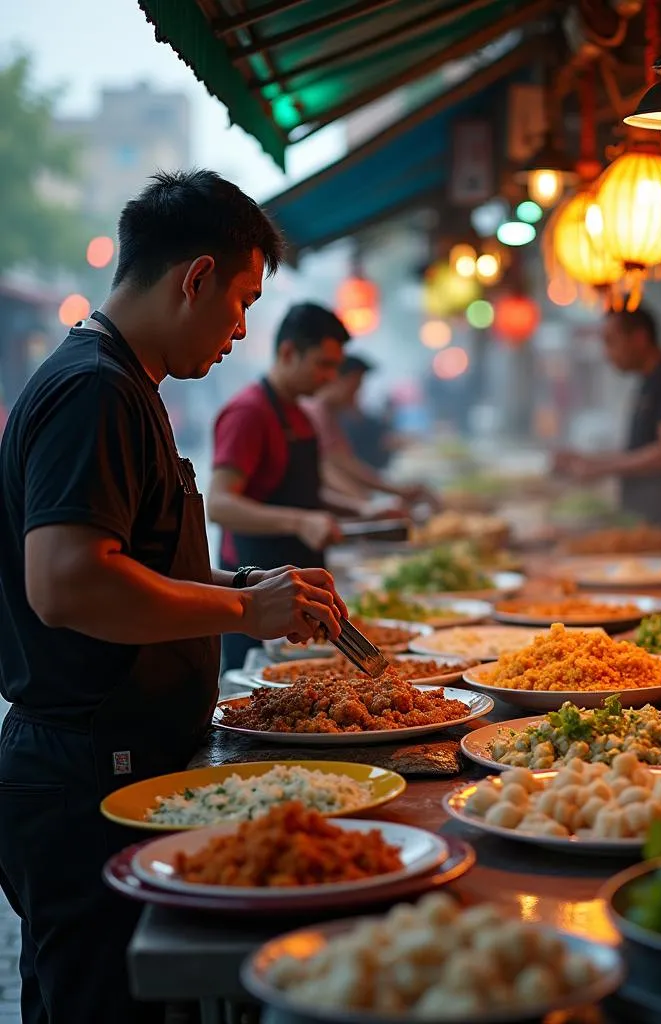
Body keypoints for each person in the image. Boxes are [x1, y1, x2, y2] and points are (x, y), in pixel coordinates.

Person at [0, 170, 347, 1024]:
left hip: (111, 760)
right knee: (96, 1005)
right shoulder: (95, 388)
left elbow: (136, 557)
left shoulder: (128, 383)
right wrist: (239, 613)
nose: (241, 329)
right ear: (195, 276)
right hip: (84, 770)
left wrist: (244, 582)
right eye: (241, 300)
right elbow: (67, 581)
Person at [208, 302, 353, 670]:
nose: (330, 377)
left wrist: (363, 509)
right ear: (288, 352)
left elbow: (309, 491)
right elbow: (219, 504)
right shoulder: (248, 413)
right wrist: (300, 522)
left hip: (300, 593)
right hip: (254, 591)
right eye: (323, 364)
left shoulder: (300, 414)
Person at [554, 306, 661, 551]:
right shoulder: (650, 381)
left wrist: (600, 468)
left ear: (640, 338)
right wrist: (590, 460)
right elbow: (643, 448)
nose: (607, 353)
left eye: (611, 342)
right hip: (650, 521)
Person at [302, 355, 437, 514]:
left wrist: (388, 494)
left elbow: (344, 462)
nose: (356, 395)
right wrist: (366, 502)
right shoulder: (315, 413)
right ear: (337, 380)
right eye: (355, 387)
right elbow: (329, 468)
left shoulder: (330, 414)